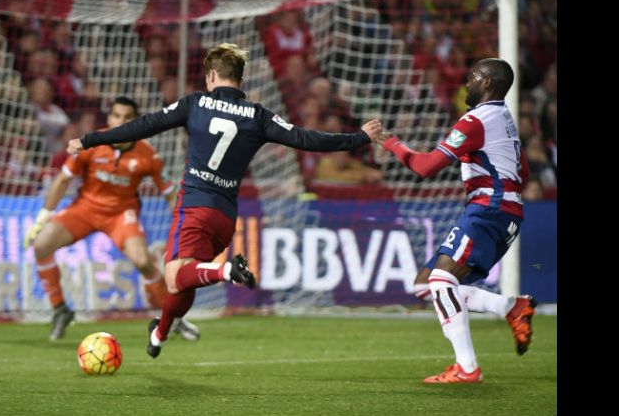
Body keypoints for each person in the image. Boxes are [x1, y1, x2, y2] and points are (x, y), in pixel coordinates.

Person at [68, 43, 383, 358]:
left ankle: (225, 272)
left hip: (194, 206)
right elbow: (307, 139)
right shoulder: (259, 116)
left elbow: (142, 126)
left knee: (174, 276)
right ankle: (160, 334)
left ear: (212, 76)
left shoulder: (195, 103)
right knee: (184, 283)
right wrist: (360, 137)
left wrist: (89, 140)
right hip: (224, 217)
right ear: (240, 81)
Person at [378, 58, 536, 383]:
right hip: (505, 211)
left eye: (473, 77)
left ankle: (467, 368)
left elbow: (425, 167)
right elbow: (525, 171)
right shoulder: (505, 119)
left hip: (488, 208)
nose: (468, 83)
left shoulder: (476, 121)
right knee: (426, 285)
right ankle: (511, 307)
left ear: (487, 83)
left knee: (441, 281)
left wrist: (390, 143)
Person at [24, 96, 200, 342]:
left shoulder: (148, 155)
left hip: (121, 215)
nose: (120, 121)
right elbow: (63, 180)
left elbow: (170, 193)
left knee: (143, 261)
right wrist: (42, 218)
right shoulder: (92, 144)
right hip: (85, 209)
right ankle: (60, 310)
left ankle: (174, 318)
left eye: (127, 117)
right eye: (116, 116)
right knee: (41, 245)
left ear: (136, 121)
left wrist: (185, 227)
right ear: (109, 118)